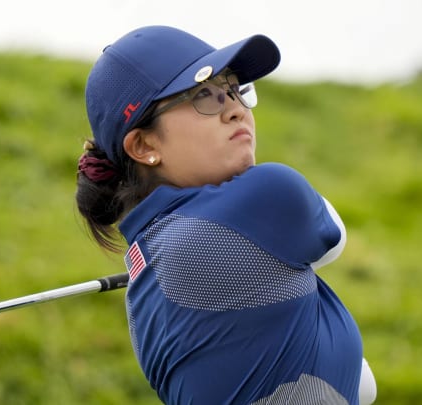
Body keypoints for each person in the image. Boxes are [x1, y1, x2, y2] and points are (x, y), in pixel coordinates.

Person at [75, 25, 377, 404]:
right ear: (144, 144)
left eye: (235, 90)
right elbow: (333, 241)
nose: (235, 109)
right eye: (205, 96)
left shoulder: (145, 281)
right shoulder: (271, 195)